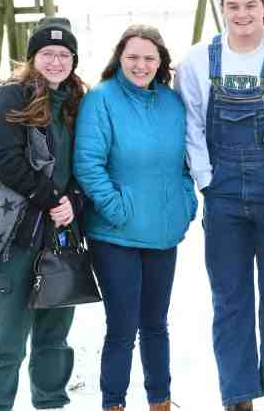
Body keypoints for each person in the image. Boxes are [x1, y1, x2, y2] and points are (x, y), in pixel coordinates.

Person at [174, 0, 264, 411]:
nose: (242, 14)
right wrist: (207, 179)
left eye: (251, 5)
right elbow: (191, 123)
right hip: (224, 196)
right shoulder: (198, 60)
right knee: (229, 302)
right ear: (222, 9)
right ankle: (238, 397)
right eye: (233, 6)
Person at [74, 25, 197, 411]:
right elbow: (88, 165)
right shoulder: (102, 100)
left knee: (156, 325)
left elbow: (185, 162)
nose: (140, 65)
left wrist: (184, 203)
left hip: (163, 232)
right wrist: (117, 209)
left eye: (149, 58)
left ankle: (159, 400)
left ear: (160, 62)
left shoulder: (171, 103)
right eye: (133, 57)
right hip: (116, 236)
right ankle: (114, 402)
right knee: (123, 328)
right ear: (119, 58)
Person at [0, 17, 87, 411]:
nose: (56, 61)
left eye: (64, 54)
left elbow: (87, 163)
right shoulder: (12, 97)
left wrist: (75, 200)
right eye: (47, 53)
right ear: (33, 57)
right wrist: (52, 197)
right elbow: (5, 158)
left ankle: (51, 403)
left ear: (73, 59)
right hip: (15, 236)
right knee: (5, 343)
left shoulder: (76, 101)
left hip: (61, 238)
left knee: (54, 341)